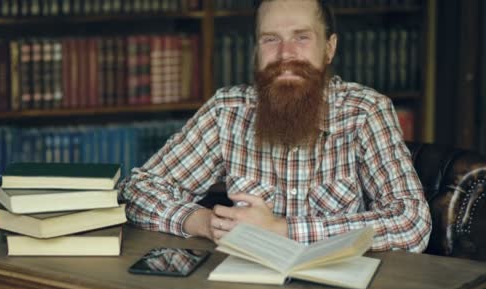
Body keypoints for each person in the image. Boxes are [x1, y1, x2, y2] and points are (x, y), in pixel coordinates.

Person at [118, 0, 432, 252]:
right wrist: (204, 222)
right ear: (256, 51)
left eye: (302, 37)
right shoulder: (227, 112)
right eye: (271, 40)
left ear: (329, 47)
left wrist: (282, 230)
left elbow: (412, 223)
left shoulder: (365, 111)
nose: (286, 55)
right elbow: (138, 192)